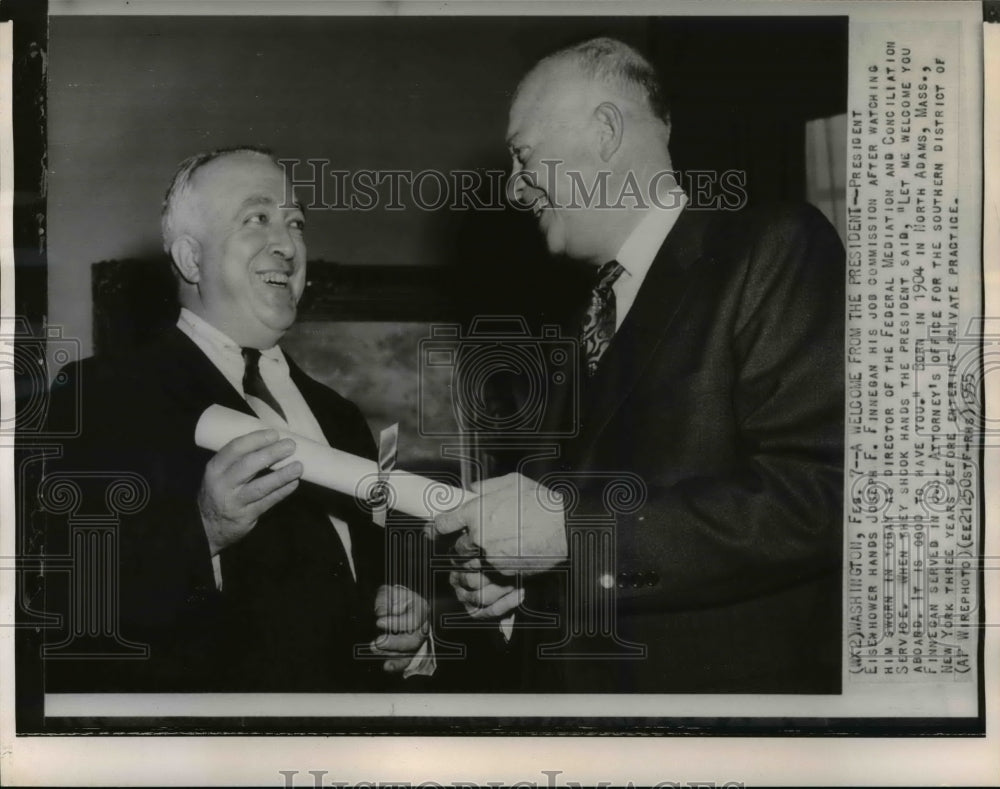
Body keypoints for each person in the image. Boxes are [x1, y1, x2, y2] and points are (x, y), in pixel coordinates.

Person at [432, 38, 845, 693]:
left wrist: (572, 534)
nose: (514, 187)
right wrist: (520, 583)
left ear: (604, 131)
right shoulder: (579, 323)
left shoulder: (770, 250)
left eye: (523, 153)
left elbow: (827, 495)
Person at [44, 147, 430, 691]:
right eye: (257, 219)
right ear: (190, 258)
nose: (287, 244)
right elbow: (62, 602)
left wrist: (408, 628)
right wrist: (203, 530)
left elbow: (375, 582)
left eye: (295, 222)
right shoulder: (95, 395)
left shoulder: (339, 416)